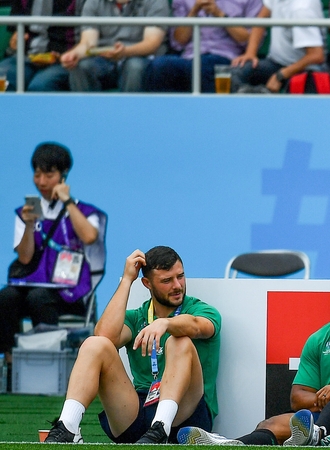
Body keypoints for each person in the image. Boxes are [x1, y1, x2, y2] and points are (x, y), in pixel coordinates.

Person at [177, 259, 330, 446]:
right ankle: (232, 444)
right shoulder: (320, 338)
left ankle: (317, 433)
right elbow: (298, 397)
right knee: (270, 425)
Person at [44, 246, 222, 443]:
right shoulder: (137, 317)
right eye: (166, 281)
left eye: (180, 276)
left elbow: (197, 326)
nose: (177, 285)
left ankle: (161, 427)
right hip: (139, 412)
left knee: (179, 340)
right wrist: (127, 280)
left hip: (186, 416)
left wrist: (166, 323)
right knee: (95, 344)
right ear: (147, 283)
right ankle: (68, 427)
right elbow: (105, 336)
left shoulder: (201, 310)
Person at [0, 142, 106, 367]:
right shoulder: (26, 213)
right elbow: (25, 258)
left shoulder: (85, 212)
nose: (42, 182)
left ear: (63, 175)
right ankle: (10, 361)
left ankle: (47, 360)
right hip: (34, 287)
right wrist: (29, 225)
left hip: (70, 293)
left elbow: (89, 237)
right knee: (6, 296)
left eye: (49, 175)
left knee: (38, 298)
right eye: (37, 175)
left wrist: (67, 201)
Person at [144, 0, 262, 93]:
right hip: (190, 57)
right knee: (159, 66)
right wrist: (194, 12)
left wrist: (219, 14)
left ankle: (211, 115)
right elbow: (178, 42)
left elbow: (249, 40)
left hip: (227, 58)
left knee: (202, 67)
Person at [59, 0, 170, 92]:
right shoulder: (93, 2)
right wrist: (73, 55)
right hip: (104, 60)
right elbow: (88, 43)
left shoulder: (156, 1)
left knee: (135, 66)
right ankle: (86, 110)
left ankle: (131, 111)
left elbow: (151, 43)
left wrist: (125, 52)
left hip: (141, 57)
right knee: (80, 66)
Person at [231, 0, 327, 93]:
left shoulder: (301, 10)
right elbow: (261, 18)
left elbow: (316, 56)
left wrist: (280, 76)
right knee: (235, 72)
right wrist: (250, 53)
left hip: (305, 69)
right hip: (276, 63)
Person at [0, 0, 80, 92]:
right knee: (2, 81)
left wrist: (66, 56)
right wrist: (15, 40)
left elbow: (87, 38)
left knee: (40, 86)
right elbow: (15, 31)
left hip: (64, 60)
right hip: (24, 56)